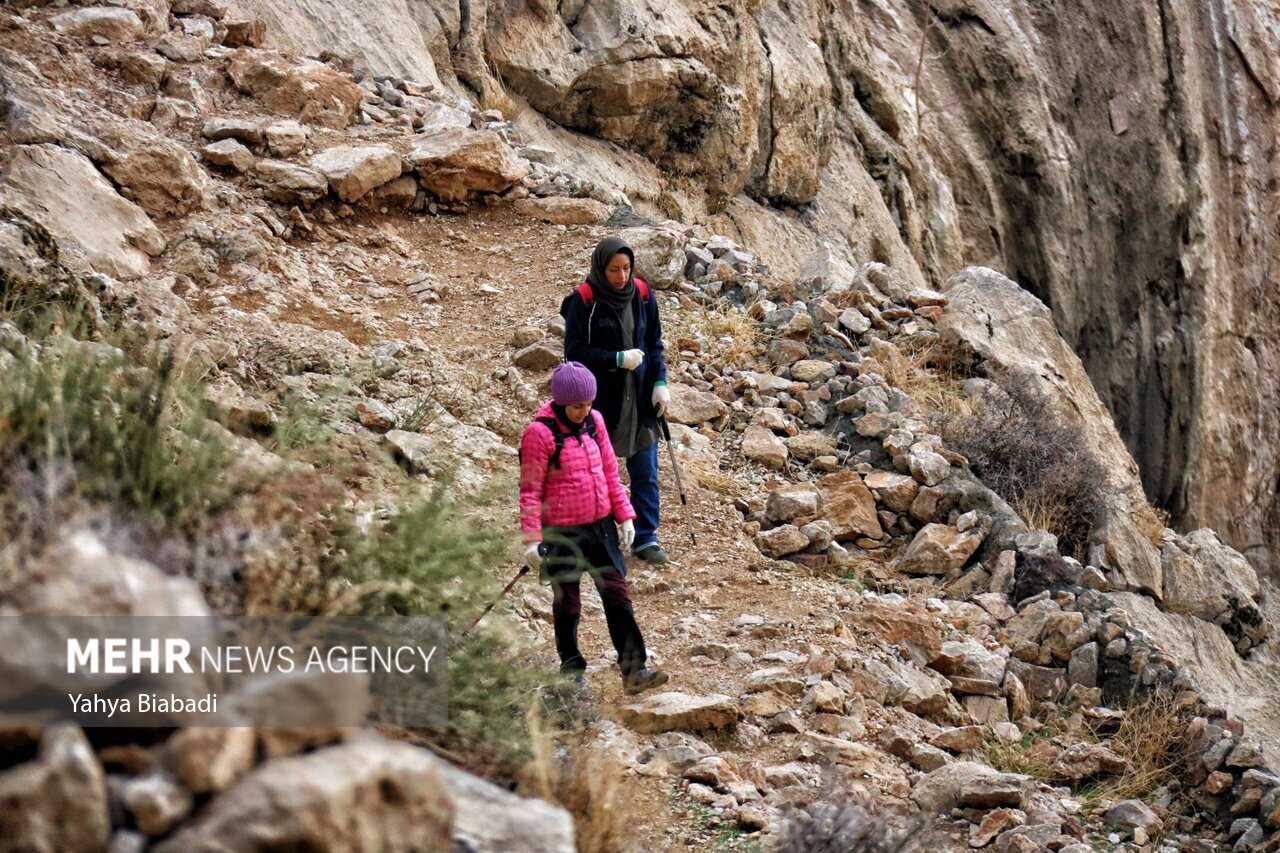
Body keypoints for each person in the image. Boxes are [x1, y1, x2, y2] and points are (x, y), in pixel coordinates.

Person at [519, 361, 669, 694]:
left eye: (588, 404)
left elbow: (609, 474)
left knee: (617, 596)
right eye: (576, 406)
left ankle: (634, 671)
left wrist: (625, 515)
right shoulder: (538, 434)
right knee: (568, 603)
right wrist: (532, 540)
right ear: (560, 401)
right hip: (562, 533)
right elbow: (530, 492)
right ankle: (570, 669)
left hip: (600, 527)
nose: (583, 411)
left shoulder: (595, 422)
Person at [561, 235, 672, 564]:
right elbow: (575, 354)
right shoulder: (584, 301)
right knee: (594, 471)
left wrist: (660, 382)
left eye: (626, 268)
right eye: (614, 269)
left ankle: (646, 537)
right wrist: (616, 359)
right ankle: (596, 534)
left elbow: (654, 341)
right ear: (600, 268)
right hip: (599, 401)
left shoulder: (642, 293)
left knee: (646, 470)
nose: (622, 276)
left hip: (639, 397)